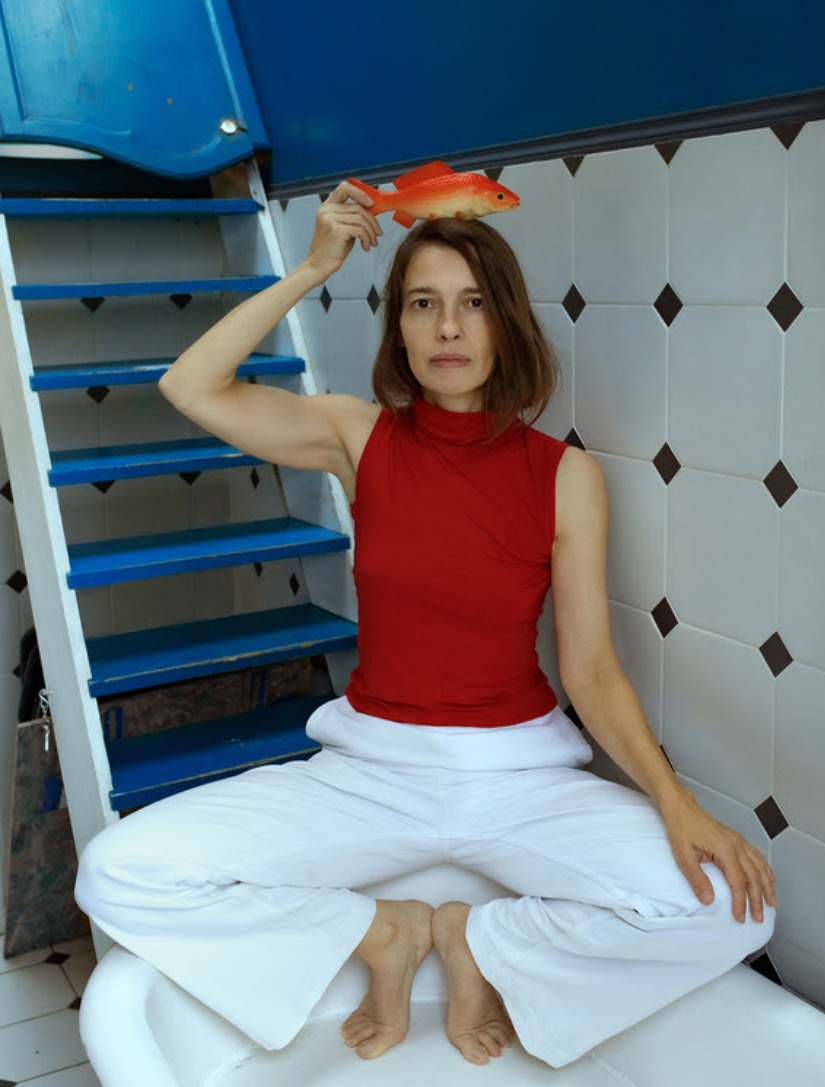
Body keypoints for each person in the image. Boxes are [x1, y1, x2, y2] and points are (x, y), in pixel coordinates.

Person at [75, 182, 777, 1070]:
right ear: (399, 331)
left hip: (519, 776)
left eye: (473, 304)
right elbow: (191, 384)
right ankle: (384, 932)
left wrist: (676, 804)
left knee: (733, 908)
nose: (448, 328)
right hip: (369, 770)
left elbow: (591, 670)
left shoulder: (565, 476)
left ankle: (482, 946)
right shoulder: (358, 435)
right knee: (115, 871)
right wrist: (313, 268)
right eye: (422, 304)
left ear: (505, 323)